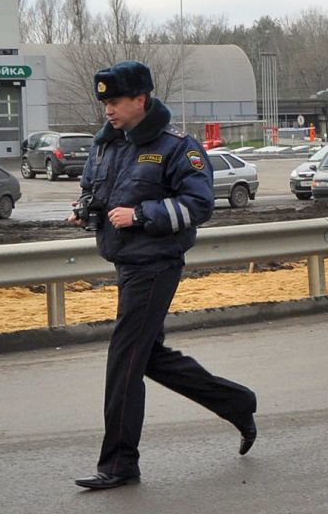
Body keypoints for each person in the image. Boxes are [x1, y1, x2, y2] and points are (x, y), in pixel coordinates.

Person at [71, 62, 257, 490]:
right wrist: (85, 210)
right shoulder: (107, 145)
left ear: (141, 99)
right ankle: (237, 401)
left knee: (124, 360)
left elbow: (198, 205)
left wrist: (138, 215)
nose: (108, 111)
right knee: (147, 356)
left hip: (156, 264)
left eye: (115, 102)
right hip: (126, 262)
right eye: (104, 103)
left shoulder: (178, 147)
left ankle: (119, 463)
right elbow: (94, 190)